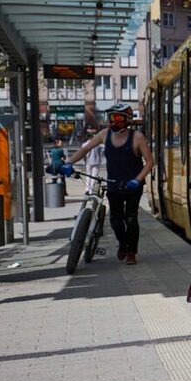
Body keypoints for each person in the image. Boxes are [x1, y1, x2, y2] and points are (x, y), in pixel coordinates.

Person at [61, 103, 154, 265]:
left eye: (118, 118)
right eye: (111, 118)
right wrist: (69, 163)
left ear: (127, 120)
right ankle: (123, 244)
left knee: (131, 219)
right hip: (113, 184)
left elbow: (149, 162)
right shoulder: (104, 134)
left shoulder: (137, 137)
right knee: (115, 220)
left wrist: (137, 180)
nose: (114, 122)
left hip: (132, 185)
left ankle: (132, 252)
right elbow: (85, 149)